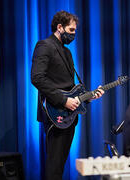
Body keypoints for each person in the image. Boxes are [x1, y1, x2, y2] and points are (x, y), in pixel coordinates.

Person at [31, 11, 104, 180]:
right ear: (59, 27)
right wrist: (63, 100)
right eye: (71, 30)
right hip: (55, 111)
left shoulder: (67, 52)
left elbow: (71, 87)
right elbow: (37, 78)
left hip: (68, 115)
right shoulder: (44, 45)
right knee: (54, 164)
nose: (74, 34)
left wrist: (88, 96)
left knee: (60, 163)